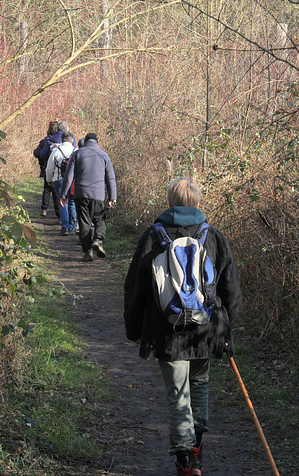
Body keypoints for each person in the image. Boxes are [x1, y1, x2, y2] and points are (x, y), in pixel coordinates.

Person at [123, 177, 242, 476]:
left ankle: (184, 461)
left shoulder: (153, 235)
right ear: (198, 203)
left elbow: (136, 287)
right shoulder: (213, 236)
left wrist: (134, 329)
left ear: (169, 202)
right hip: (207, 329)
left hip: (167, 330)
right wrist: (225, 327)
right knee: (199, 385)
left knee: (178, 393)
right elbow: (231, 290)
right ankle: (196, 451)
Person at [60, 132, 117, 261]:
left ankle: (87, 252)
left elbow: (68, 176)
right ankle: (98, 239)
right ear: (97, 142)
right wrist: (112, 196)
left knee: (84, 222)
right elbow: (110, 178)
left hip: (81, 194)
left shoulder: (77, 154)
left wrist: (64, 195)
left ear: (85, 141)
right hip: (98, 195)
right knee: (99, 219)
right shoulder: (103, 155)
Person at [45, 132, 77, 235]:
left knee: (62, 202)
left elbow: (49, 169)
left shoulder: (56, 151)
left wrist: (49, 180)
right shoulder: (76, 151)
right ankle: (73, 225)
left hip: (59, 180)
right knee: (72, 203)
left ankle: (65, 227)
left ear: (62, 140)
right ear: (72, 141)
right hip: (72, 181)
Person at [33, 121, 59, 218]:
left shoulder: (45, 141)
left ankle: (44, 209)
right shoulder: (62, 142)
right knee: (56, 191)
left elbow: (36, 153)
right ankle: (58, 213)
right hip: (58, 170)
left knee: (47, 189)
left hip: (46, 168)